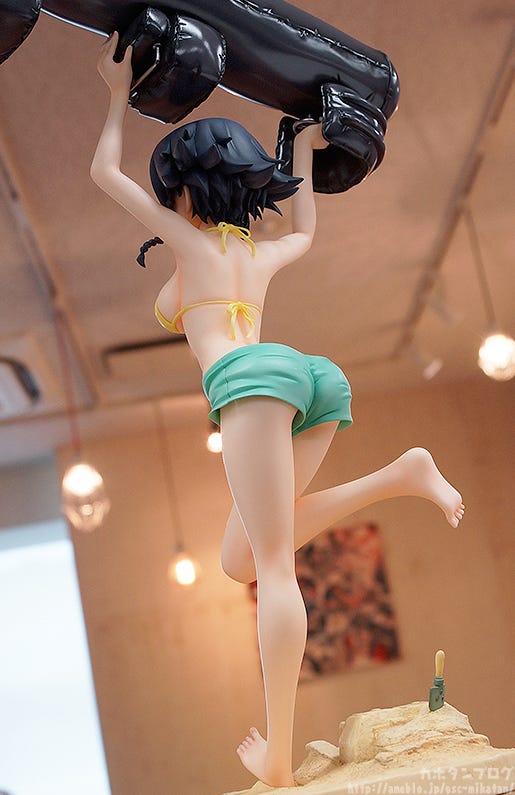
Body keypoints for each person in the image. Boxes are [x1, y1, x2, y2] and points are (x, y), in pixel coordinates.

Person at [91, 32, 464, 790]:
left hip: (250, 382)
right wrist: (301, 147)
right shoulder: (256, 255)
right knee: (241, 558)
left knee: (269, 565)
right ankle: (401, 474)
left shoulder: (190, 245)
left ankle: (281, 761)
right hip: (309, 380)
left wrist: (114, 92)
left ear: (187, 191)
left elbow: (103, 172)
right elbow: (305, 230)